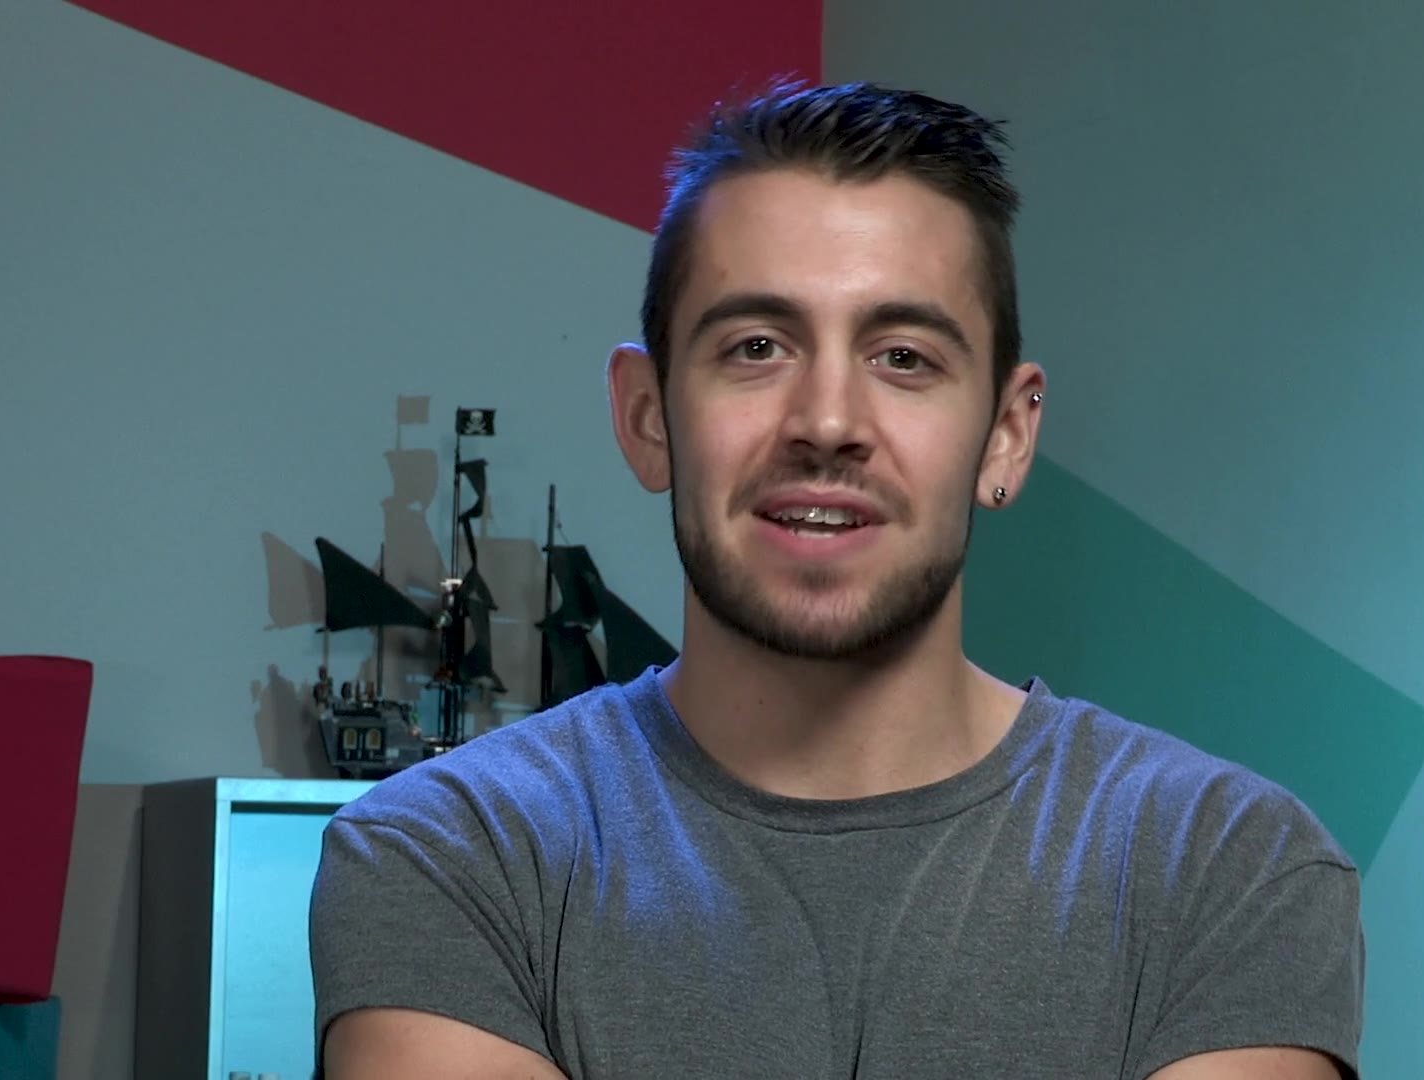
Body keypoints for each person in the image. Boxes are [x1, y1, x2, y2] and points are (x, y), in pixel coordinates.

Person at [309, 81, 1364, 1079]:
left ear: (1004, 434)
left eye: (904, 357)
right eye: (757, 347)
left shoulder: (1228, 869)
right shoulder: (446, 855)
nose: (826, 422)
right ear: (647, 417)